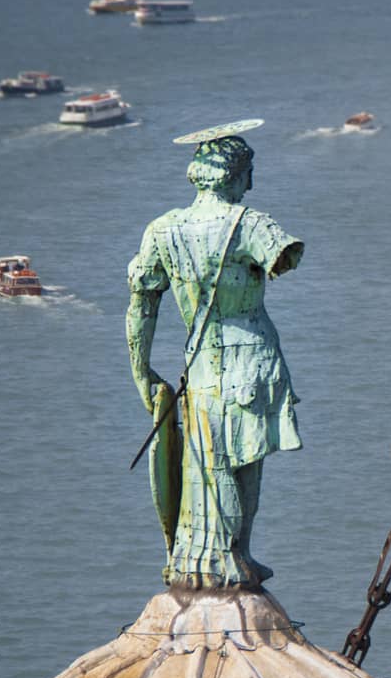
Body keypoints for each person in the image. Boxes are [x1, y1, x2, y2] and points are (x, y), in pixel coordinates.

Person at [127, 125, 304, 589]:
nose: (253, 185)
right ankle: (232, 556)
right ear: (236, 175)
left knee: (207, 461)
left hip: (202, 362)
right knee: (244, 461)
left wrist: (141, 371)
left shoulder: (162, 230)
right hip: (252, 357)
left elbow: (141, 305)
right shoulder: (252, 225)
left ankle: (216, 554)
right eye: (250, 173)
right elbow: (285, 257)